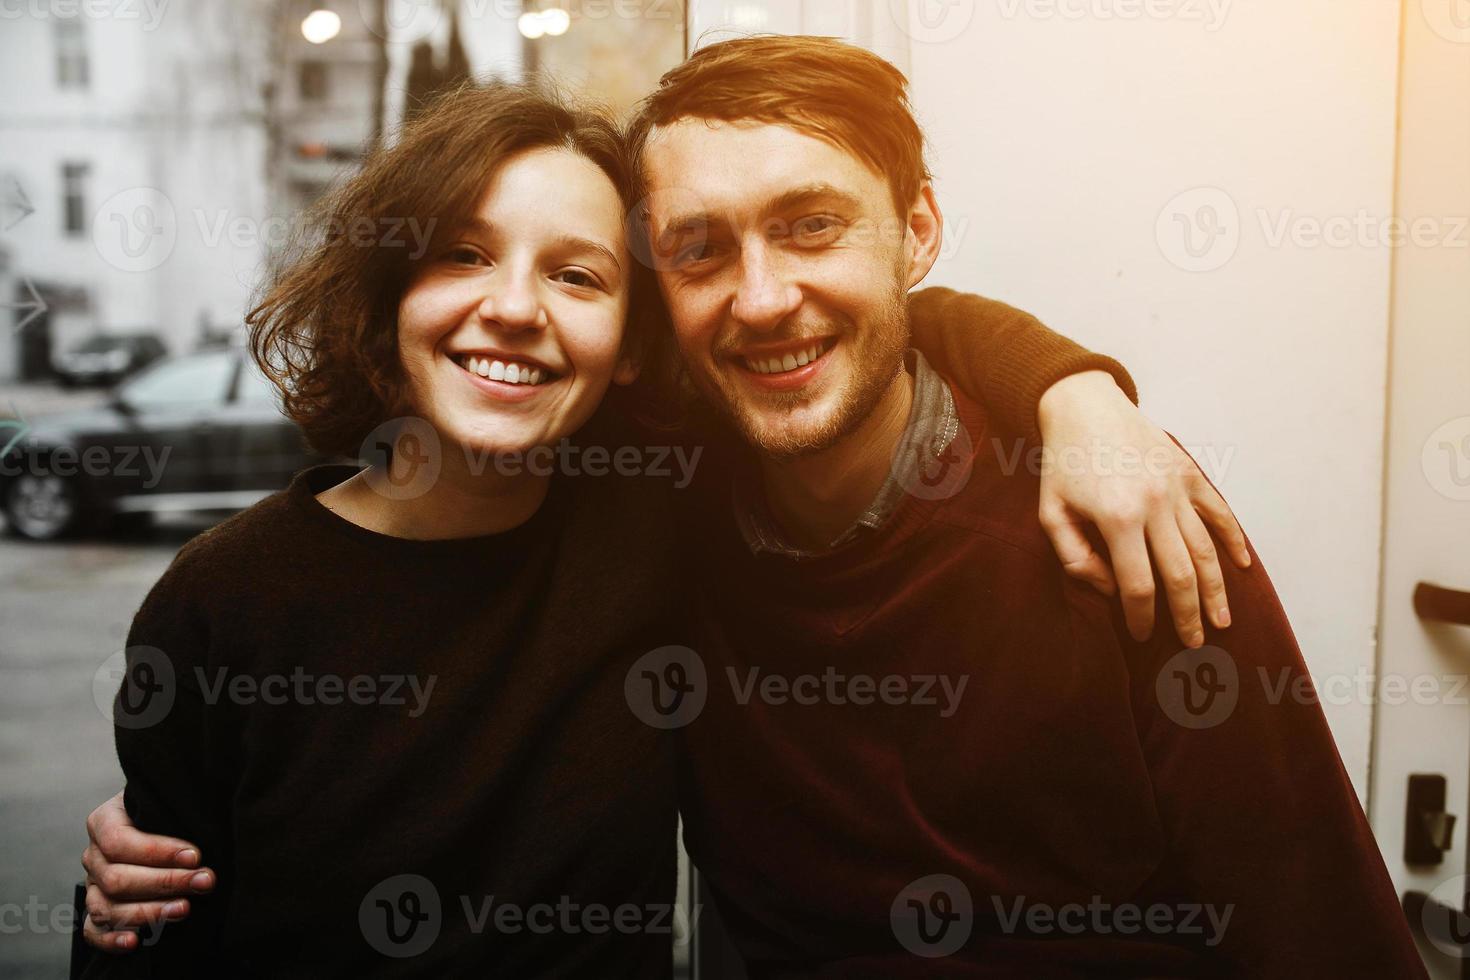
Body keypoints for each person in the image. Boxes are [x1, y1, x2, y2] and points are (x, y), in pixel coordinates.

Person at [77, 72, 1248, 973]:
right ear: (387, 300)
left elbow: (872, 314)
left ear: (636, 342)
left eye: (579, 276)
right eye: (463, 254)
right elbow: (137, 919)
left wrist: (1080, 392)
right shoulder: (224, 598)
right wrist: (118, 876)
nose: (514, 307)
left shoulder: (660, 502)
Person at [623, 36, 1424, 976]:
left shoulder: (1121, 516)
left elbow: (1320, 929)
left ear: (917, 232)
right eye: (700, 249)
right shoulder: (655, 518)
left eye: (812, 226)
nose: (759, 299)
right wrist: (1065, 378)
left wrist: (1075, 392)